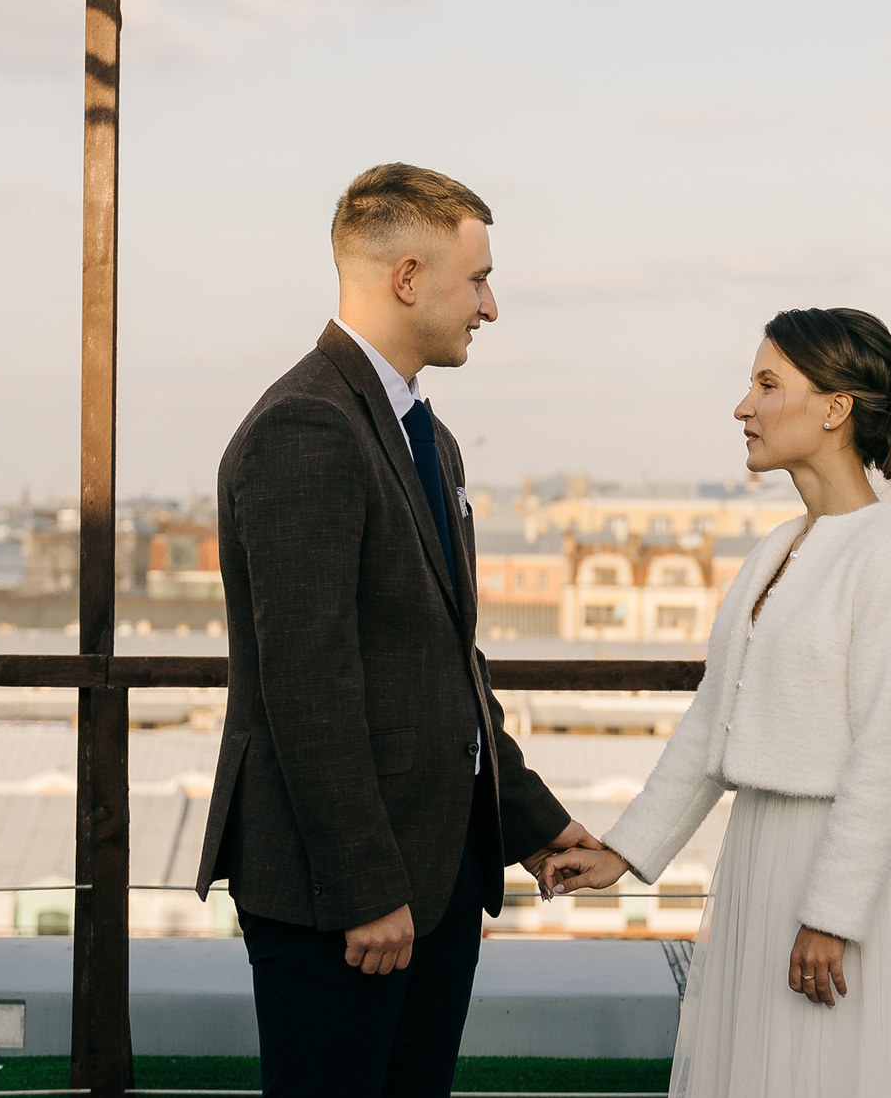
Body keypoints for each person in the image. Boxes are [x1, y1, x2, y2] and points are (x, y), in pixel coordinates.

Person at [196, 163, 596, 1098]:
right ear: (408, 277)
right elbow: (308, 686)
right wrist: (368, 888)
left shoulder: (427, 433)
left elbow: (446, 664)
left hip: (436, 877)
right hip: (347, 895)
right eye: (479, 279)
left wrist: (532, 823)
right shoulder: (308, 425)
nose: (490, 306)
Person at [541, 308, 891, 1098]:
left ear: (835, 407)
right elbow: (711, 724)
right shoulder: (777, 549)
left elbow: (888, 756)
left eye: (768, 384)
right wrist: (621, 852)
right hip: (758, 856)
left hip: (833, 875)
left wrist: (832, 913)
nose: (743, 407)